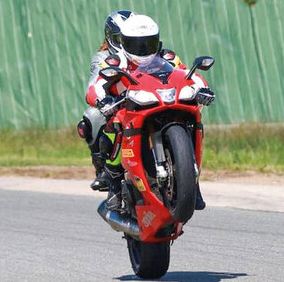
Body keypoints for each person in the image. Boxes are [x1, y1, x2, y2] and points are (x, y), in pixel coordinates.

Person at [78, 12, 215, 211]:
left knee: (192, 118)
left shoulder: (166, 56)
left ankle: (192, 181)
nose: (142, 49)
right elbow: (96, 85)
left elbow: (186, 73)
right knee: (113, 123)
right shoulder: (113, 60)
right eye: (136, 43)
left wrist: (203, 88)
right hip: (128, 105)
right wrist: (102, 99)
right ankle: (114, 184)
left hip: (161, 100)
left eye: (148, 43)